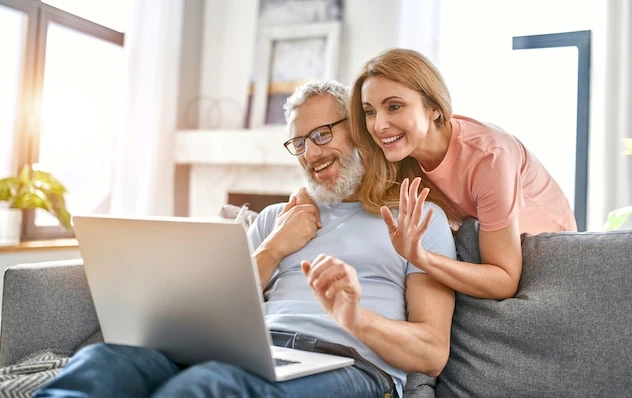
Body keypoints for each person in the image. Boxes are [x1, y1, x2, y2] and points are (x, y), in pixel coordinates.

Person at [36, 81, 457, 398]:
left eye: (322, 134)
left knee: (210, 386)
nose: (311, 154)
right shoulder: (277, 219)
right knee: (105, 362)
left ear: (360, 132)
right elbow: (212, 312)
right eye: (299, 142)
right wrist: (273, 248)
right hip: (256, 352)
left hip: (353, 367)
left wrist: (354, 317)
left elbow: (432, 352)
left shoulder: (418, 218)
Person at [348, 48, 577, 300]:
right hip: (488, 253)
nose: (379, 126)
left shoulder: (488, 157)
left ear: (433, 108)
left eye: (394, 106)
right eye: (370, 111)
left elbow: (504, 281)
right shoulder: (400, 155)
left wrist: (421, 258)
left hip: (552, 260)